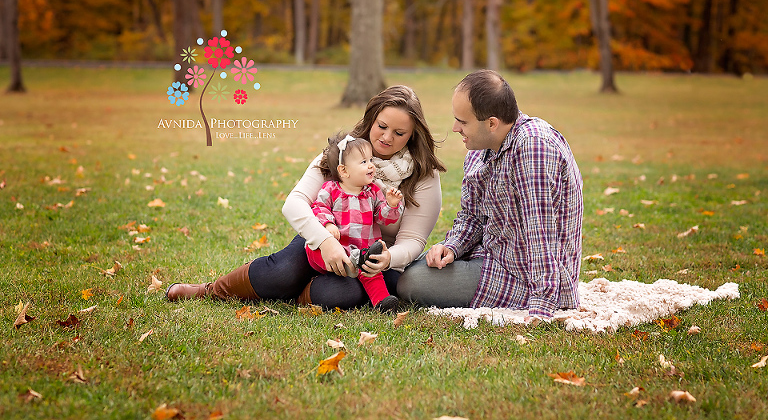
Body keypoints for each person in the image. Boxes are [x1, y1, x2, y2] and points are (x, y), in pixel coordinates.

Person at [166, 85, 446, 309]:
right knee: (282, 272)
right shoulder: (343, 154)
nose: (386, 138)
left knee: (341, 294)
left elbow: (413, 241)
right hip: (325, 241)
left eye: (399, 133)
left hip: (374, 261)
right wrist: (325, 241)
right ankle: (210, 291)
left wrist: (388, 258)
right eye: (381, 126)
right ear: (371, 119)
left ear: (412, 136)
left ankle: (298, 295)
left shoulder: (423, 174)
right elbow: (295, 203)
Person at [397, 70, 583, 321]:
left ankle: (539, 296)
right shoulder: (479, 148)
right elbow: (471, 216)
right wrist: (452, 247)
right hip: (495, 255)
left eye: (462, 122)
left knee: (411, 282)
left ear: (492, 123)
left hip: (526, 276)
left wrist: (541, 308)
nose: (454, 128)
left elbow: (541, 234)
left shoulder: (533, 148)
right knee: (412, 270)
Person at [306, 132, 404, 311]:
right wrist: (328, 225)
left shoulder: (373, 192)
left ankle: (382, 302)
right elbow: (318, 207)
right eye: (363, 162)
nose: (371, 166)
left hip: (361, 251)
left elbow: (383, 218)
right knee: (312, 250)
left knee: (371, 272)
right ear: (343, 170)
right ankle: (348, 265)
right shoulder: (331, 189)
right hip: (335, 251)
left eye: (370, 160)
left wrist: (391, 205)